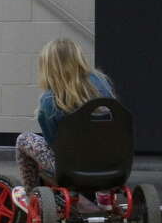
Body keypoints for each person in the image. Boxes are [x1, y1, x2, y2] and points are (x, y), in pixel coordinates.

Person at [12, 38, 114, 208]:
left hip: (72, 169)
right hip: (109, 163)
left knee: (24, 139)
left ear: (49, 67)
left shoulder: (49, 100)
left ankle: (30, 196)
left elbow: (54, 145)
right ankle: (104, 195)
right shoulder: (102, 83)